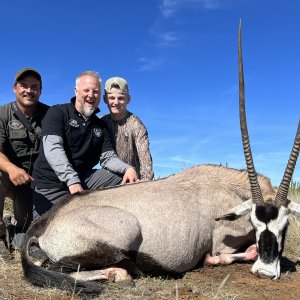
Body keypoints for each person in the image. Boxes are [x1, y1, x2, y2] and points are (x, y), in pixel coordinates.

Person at [32, 71, 138, 216]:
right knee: (40, 233)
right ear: (76, 91)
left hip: (83, 180)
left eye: (95, 91)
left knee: (125, 181)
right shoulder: (57, 112)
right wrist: (72, 180)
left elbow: (108, 158)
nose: (91, 95)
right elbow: (53, 149)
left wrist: (128, 169)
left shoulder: (100, 125)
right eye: (86, 90)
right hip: (50, 185)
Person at [0, 68, 49, 244]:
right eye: (24, 86)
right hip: (10, 177)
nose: (29, 90)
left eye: (34, 86)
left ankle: (12, 228)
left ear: (40, 91)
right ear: (15, 88)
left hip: (35, 183)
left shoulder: (51, 114)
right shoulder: (2, 114)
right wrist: (11, 169)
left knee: (29, 231)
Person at [101, 77, 154, 181]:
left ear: (128, 99)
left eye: (120, 98)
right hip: (109, 179)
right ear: (105, 99)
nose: (116, 102)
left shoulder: (136, 125)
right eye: (111, 98)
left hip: (134, 181)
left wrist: (145, 181)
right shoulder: (100, 123)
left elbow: (145, 157)